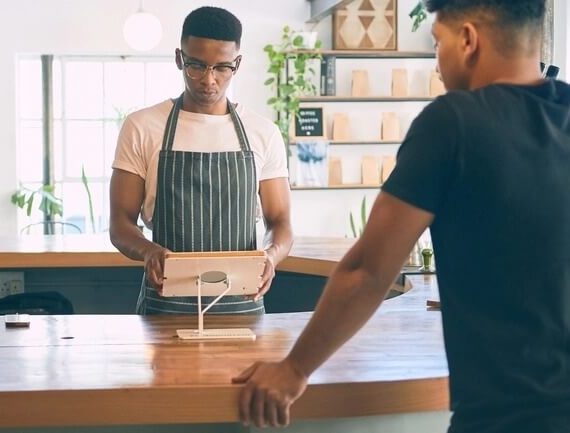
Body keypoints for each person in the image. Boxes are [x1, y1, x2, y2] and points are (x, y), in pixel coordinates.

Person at [234, 0, 570, 431]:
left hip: (508, 416)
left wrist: (293, 369)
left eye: (437, 44)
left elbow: (367, 271)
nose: (437, 65)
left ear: (468, 40)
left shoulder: (454, 123)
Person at [109, 6, 293, 315]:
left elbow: (281, 223)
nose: (209, 79)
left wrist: (270, 257)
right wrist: (148, 250)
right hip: (165, 309)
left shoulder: (263, 132)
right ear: (179, 58)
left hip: (241, 309)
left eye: (222, 68)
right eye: (196, 65)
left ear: (237, 63)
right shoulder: (142, 127)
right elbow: (119, 224)